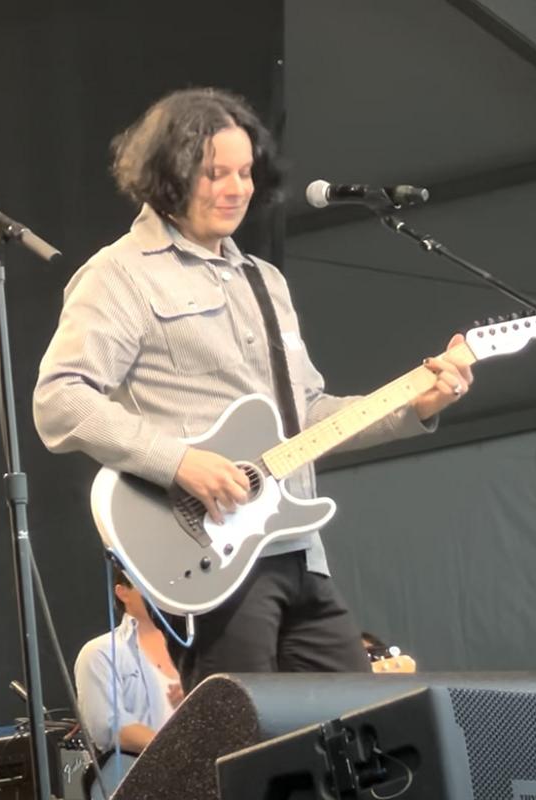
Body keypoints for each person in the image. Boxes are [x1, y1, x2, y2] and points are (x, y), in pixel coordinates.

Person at [34, 88, 474, 691]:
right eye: (216, 173)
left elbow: (308, 413)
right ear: (168, 176)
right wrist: (181, 462)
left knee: (365, 733)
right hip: (209, 556)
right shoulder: (120, 275)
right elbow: (60, 399)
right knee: (239, 749)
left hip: (300, 551)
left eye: (245, 172)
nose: (237, 187)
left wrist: (415, 404)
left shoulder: (264, 281)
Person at [76, 566, 182, 756]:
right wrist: (179, 752)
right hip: (146, 778)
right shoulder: (101, 653)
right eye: (146, 582)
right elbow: (110, 727)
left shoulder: (195, 648)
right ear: (122, 592)